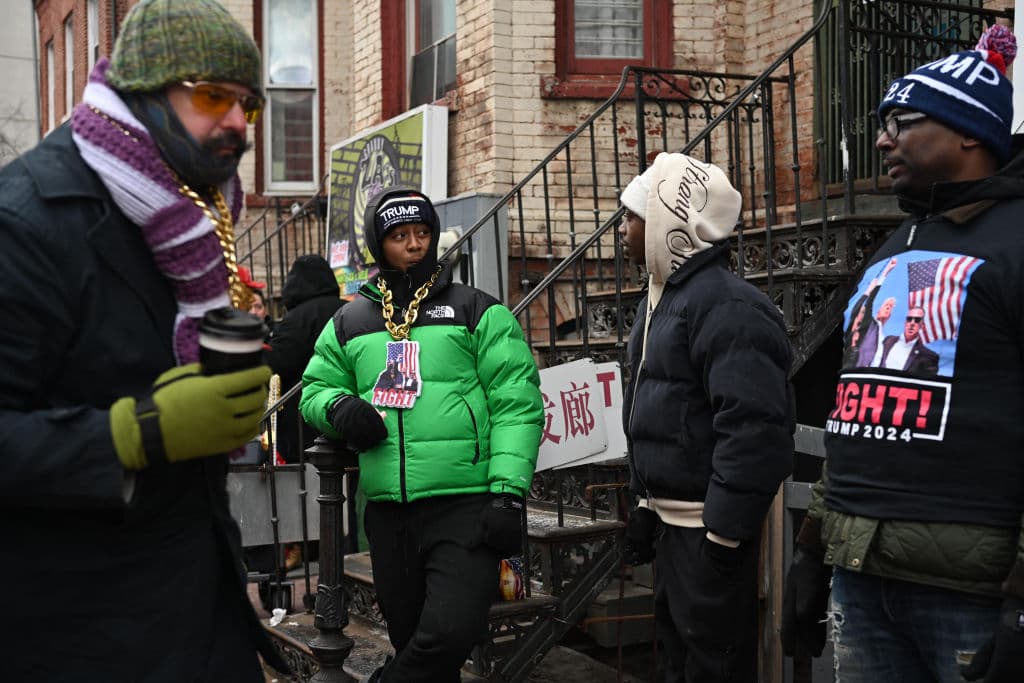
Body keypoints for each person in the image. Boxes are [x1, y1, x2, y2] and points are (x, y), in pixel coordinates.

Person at [0, 0, 288, 679]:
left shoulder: (186, 210)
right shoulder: (28, 222)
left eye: (251, 104)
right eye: (214, 96)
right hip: (72, 635)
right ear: (142, 93)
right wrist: (136, 433)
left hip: (192, 609)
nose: (239, 123)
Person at [782, 25, 1024, 683]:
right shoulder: (893, 249)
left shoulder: (1014, 242)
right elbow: (854, 414)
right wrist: (812, 551)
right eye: (882, 123)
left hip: (971, 594)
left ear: (969, 133)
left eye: (904, 122)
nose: (882, 138)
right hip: (863, 580)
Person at [300, 187, 544, 682]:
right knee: (414, 641)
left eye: (422, 233)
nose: (413, 244)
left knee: (449, 631)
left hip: (466, 504)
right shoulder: (351, 320)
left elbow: (516, 403)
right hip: (389, 512)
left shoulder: (478, 310)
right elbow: (313, 391)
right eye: (398, 236)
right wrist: (342, 409)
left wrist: (507, 492)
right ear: (378, 244)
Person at [617, 152, 795, 682]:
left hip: (708, 538)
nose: (623, 228)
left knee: (712, 670)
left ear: (671, 220)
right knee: (678, 664)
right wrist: (646, 503)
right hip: (675, 531)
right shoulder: (666, 300)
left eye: (633, 215)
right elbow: (660, 413)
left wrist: (723, 535)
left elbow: (754, 431)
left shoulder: (728, 307)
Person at [265, 254, 343, 463]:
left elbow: (277, 362)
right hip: (346, 413)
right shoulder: (347, 310)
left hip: (303, 419)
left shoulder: (298, 319)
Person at [876, 305, 939, 375]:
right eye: (909, 319)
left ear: (922, 325)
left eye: (917, 320)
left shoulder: (928, 356)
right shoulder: (888, 341)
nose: (912, 323)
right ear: (905, 322)